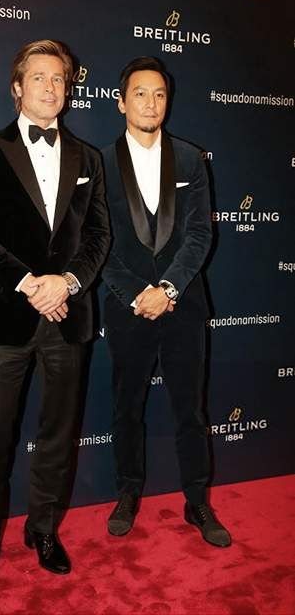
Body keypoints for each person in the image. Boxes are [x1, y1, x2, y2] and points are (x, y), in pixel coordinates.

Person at [0, 39, 110, 589]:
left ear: (68, 90)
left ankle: (43, 529)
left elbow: (98, 236)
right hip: (6, 315)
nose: (50, 87)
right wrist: (30, 285)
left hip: (69, 314)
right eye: (39, 77)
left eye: (59, 79)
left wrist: (66, 282)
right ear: (17, 87)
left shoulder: (89, 158)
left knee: (58, 434)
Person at [102, 56, 231, 548]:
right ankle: (127, 493)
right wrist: (139, 294)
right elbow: (98, 242)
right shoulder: (98, 163)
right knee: (126, 408)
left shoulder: (192, 159)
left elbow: (199, 235)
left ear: (167, 101)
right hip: (128, 307)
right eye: (139, 93)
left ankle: (197, 500)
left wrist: (169, 289)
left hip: (184, 307)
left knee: (190, 411)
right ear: (121, 102)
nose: (150, 102)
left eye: (159, 94)